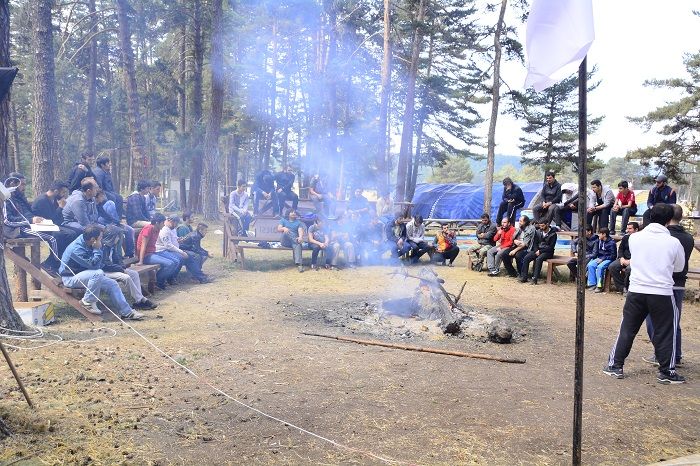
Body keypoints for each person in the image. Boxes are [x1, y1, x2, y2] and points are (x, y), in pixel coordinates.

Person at [603, 203, 685, 384]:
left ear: (649, 216)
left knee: (627, 328)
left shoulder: (635, 238)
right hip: (661, 292)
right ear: (669, 220)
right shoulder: (673, 242)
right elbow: (679, 267)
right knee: (665, 331)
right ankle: (666, 371)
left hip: (637, 290)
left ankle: (615, 365)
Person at [643, 204, 693, 368]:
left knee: (652, 320)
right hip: (679, 284)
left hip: (660, 283)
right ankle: (675, 355)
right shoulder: (688, 237)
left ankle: (662, 354)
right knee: (674, 322)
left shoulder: (665, 237)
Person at [60, 224, 144, 320]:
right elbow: (94, 266)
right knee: (98, 272)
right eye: (100, 238)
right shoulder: (76, 249)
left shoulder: (87, 241)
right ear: (93, 239)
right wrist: (97, 249)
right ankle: (87, 301)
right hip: (71, 278)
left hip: (87, 275)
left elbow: (98, 264)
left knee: (112, 284)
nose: (102, 239)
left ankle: (127, 312)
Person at [2, 173, 63, 275]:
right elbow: (8, 220)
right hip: (18, 229)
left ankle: (55, 265)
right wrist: (30, 220)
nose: (24, 187)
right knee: (53, 238)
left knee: (59, 233)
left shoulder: (20, 197)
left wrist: (38, 219)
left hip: (29, 225)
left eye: (25, 184)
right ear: (13, 184)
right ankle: (52, 265)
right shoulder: (7, 199)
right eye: (22, 184)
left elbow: (28, 214)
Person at [157, 215, 209, 283]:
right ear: (170, 221)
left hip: (173, 250)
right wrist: (181, 252)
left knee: (188, 258)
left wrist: (179, 239)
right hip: (166, 251)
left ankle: (200, 277)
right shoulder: (164, 230)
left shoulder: (172, 229)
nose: (176, 225)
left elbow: (174, 238)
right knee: (187, 258)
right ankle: (200, 277)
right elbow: (168, 246)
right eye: (175, 223)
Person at [137, 213, 180, 290]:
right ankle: (158, 282)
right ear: (157, 223)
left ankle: (159, 281)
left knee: (175, 261)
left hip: (153, 253)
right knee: (170, 263)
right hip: (146, 255)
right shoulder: (148, 229)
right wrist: (141, 261)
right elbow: (143, 246)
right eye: (162, 223)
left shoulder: (157, 229)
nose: (164, 225)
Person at [518, 220, 556, 285]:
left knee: (539, 259)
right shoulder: (538, 232)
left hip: (548, 252)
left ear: (547, 224)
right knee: (527, 257)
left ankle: (535, 278)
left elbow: (551, 247)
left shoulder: (553, 234)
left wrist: (540, 251)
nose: (541, 227)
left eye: (543, 226)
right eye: (540, 226)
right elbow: (535, 243)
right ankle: (524, 277)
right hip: (538, 250)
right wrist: (536, 250)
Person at [608, 222, 639, 295]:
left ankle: (627, 287)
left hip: (634, 260)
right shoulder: (626, 237)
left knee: (629, 269)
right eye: (627, 228)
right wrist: (621, 258)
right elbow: (621, 249)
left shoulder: (641, 239)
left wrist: (631, 261)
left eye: (630, 228)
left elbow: (640, 253)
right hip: (623, 258)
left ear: (636, 229)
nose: (627, 230)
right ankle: (622, 288)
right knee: (612, 266)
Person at [586, 227, 617, 293]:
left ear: (604, 234)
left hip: (608, 259)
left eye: (600, 233)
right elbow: (596, 252)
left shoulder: (612, 243)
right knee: (590, 265)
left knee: (600, 267)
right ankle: (592, 284)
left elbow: (613, 256)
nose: (598, 235)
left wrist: (603, 259)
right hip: (600, 258)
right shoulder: (598, 241)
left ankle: (599, 286)